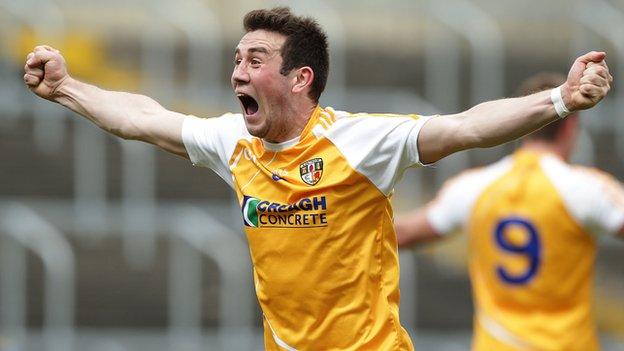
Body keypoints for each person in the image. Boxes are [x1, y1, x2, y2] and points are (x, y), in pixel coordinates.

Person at [23, 6, 612, 350]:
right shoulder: (234, 142)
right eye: (236, 59)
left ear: (300, 78)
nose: (238, 71)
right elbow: (143, 119)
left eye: (255, 60)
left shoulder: (360, 143)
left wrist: (558, 100)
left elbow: (465, 127)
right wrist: (67, 89)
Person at [395, 73, 624, 351]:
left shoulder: (473, 187)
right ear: (571, 127)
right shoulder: (586, 188)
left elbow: (403, 233)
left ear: (520, 121)